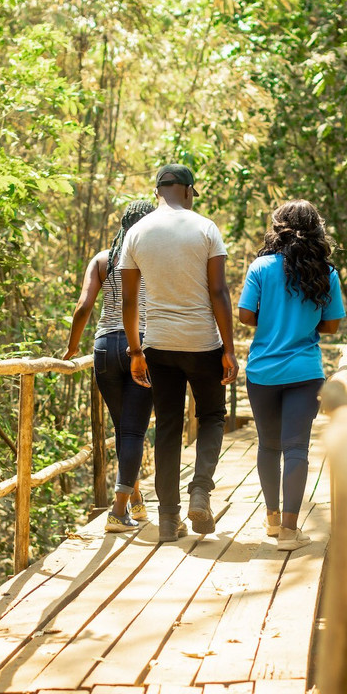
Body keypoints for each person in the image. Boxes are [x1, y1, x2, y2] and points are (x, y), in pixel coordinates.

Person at [119, 164, 239, 542]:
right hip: (203, 343)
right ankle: (200, 490)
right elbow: (219, 292)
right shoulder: (205, 228)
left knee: (168, 426)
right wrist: (229, 350)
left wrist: (135, 351)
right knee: (212, 416)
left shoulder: (136, 233)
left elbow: (128, 301)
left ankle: (169, 519)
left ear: (157, 192)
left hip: (159, 345)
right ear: (188, 191)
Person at [237, 200, 346, 550]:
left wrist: (270, 320)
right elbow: (332, 325)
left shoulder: (261, 267)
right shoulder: (326, 272)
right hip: (304, 371)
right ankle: (288, 531)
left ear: (278, 228)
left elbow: (244, 315)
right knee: (296, 448)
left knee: (268, 446)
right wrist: (304, 323)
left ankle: (271, 519)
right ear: (316, 229)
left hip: (262, 372)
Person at [64, 200, 156, 532]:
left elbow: (83, 306)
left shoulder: (103, 259)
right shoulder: (153, 259)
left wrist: (73, 346)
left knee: (123, 429)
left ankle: (135, 498)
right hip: (139, 347)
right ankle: (118, 511)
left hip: (104, 348)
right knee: (133, 431)